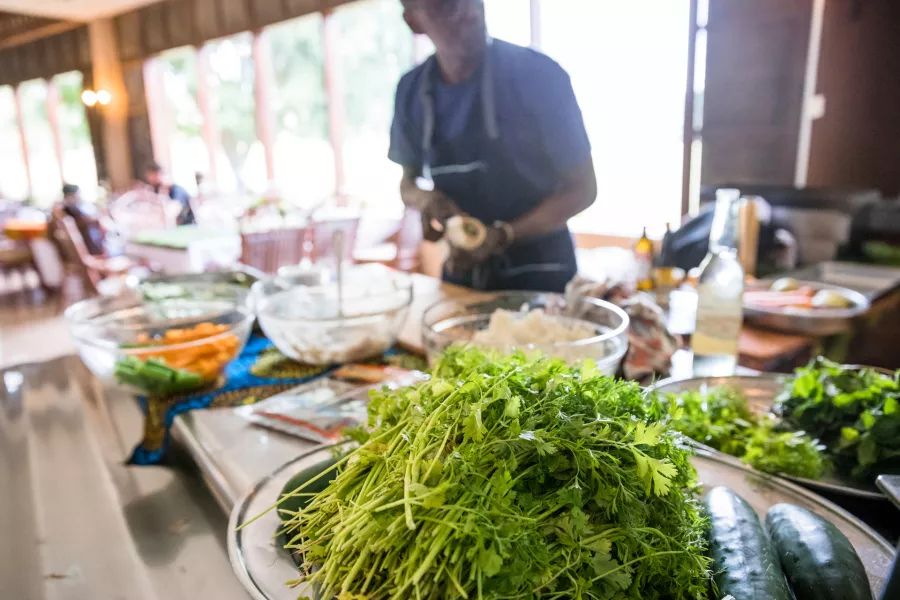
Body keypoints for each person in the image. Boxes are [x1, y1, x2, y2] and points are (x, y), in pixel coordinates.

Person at [389, 0, 596, 292]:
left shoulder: (538, 75)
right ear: (414, 22)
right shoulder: (411, 90)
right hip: (464, 277)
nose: (469, 11)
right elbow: (406, 184)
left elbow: (584, 189)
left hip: (542, 278)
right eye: (446, 5)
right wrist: (426, 200)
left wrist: (503, 235)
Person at [57, 183, 105, 255]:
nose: (79, 196)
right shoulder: (69, 209)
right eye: (78, 194)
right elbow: (83, 221)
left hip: (88, 243)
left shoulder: (72, 208)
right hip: (88, 246)